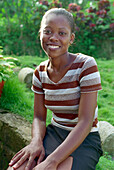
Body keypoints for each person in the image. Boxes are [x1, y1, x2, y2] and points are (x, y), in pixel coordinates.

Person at [8, 8, 103, 170]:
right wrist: (36, 142)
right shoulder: (39, 73)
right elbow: (39, 116)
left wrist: (52, 161)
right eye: (48, 31)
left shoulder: (86, 66)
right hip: (54, 133)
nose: (53, 38)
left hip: (84, 138)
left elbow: (86, 122)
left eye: (62, 33)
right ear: (40, 34)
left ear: (71, 38)